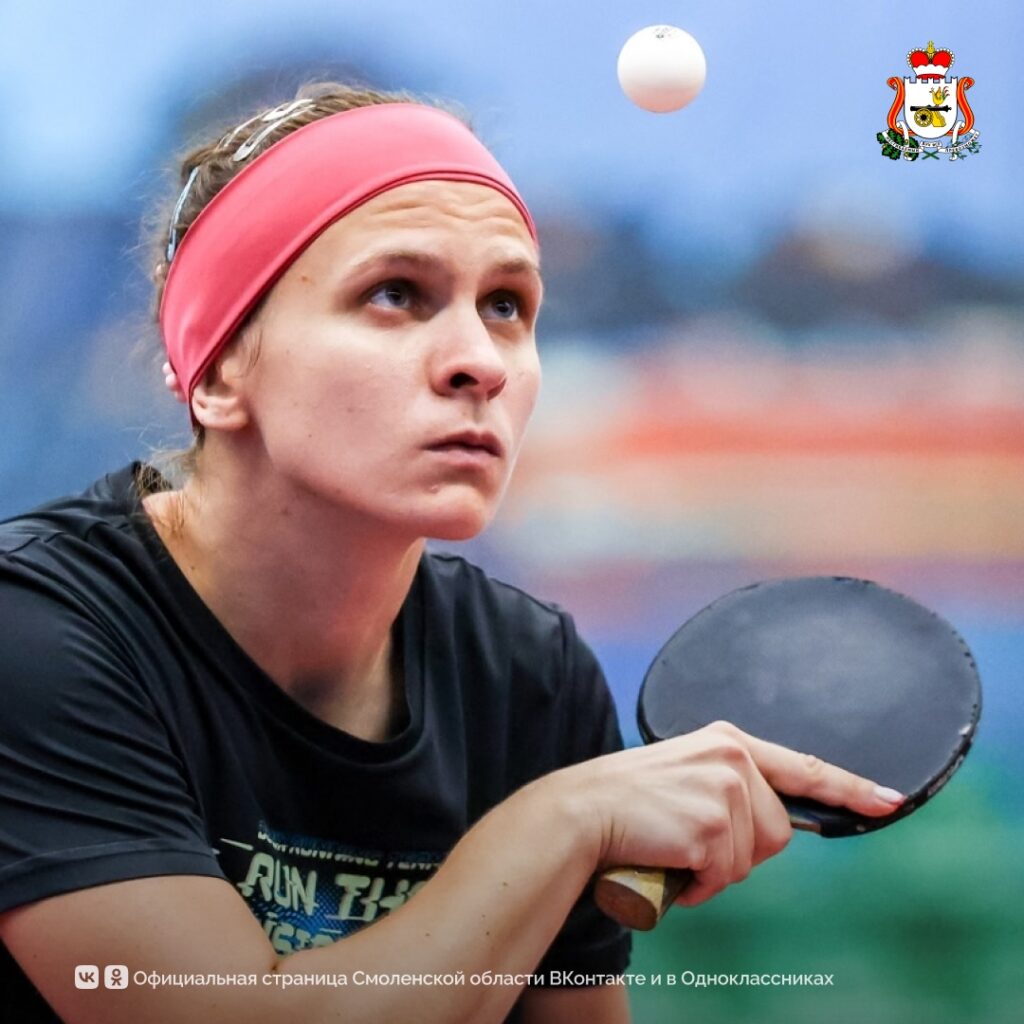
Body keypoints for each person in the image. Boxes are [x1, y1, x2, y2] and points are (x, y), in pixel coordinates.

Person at [0, 83, 904, 1024]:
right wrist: (559, 823)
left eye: (508, 305)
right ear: (222, 368)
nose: (482, 361)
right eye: (395, 294)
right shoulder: (34, 633)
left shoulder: (530, 673)